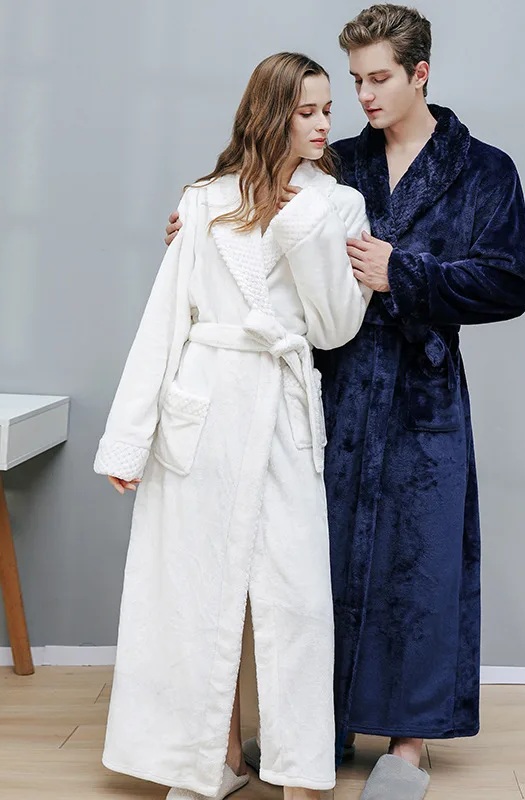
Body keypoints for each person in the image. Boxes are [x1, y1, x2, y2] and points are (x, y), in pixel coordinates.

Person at [165, 6, 525, 799]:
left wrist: (406, 272)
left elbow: (509, 283)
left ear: (420, 73)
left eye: (379, 78)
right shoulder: (335, 163)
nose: (362, 96)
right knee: (312, 565)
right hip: (330, 386)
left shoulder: (485, 171)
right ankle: (314, 728)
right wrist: (200, 228)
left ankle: (408, 745)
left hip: (424, 392)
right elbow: (256, 223)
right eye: (355, 79)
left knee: (420, 563)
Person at [95, 52, 371, 800]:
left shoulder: (337, 205)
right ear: (271, 113)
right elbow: (165, 319)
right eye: (307, 111)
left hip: (283, 404)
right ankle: (206, 763)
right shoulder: (204, 200)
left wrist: (304, 230)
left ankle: (299, 772)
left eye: (328, 110)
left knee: (296, 601)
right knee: (194, 592)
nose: (323, 124)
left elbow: (337, 326)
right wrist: (131, 437)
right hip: (204, 404)